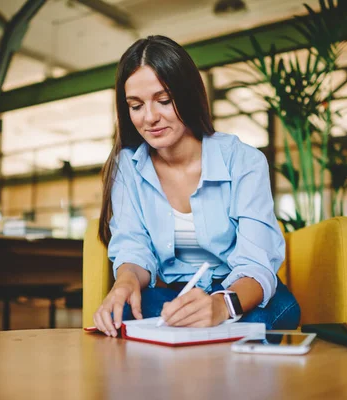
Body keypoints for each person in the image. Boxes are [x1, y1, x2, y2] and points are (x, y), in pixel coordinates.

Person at [93, 35, 300, 337]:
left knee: (260, 316)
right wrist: (124, 283)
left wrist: (219, 306)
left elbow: (257, 265)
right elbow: (133, 247)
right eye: (136, 106)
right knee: (123, 312)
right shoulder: (128, 166)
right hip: (176, 296)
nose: (150, 117)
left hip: (240, 293)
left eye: (164, 101)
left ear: (188, 95)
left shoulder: (243, 161)